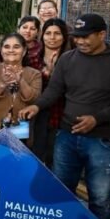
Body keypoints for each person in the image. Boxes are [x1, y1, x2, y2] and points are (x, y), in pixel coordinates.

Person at [20, 14, 110, 219]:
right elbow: (54, 91)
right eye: (77, 37)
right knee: (62, 187)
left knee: (101, 194)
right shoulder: (68, 59)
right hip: (66, 135)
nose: (81, 42)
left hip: (102, 139)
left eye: (86, 37)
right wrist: (36, 105)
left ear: (101, 35)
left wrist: (97, 119)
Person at [0, 33, 42, 138]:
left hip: (19, 134)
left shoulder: (34, 74)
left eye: (16, 47)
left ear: (24, 51)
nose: (11, 50)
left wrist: (20, 80)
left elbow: (33, 100)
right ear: (1, 50)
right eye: (6, 47)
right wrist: (2, 83)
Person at [32, 18, 72, 167]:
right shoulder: (33, 59)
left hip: (61, 114)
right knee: (36, 154)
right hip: (37, 115)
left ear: (64, 36)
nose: (52, 37)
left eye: (57, 33)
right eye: (48, 33)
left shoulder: (71, 59)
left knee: (56, 158)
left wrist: (55, 73)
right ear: (42, 36)